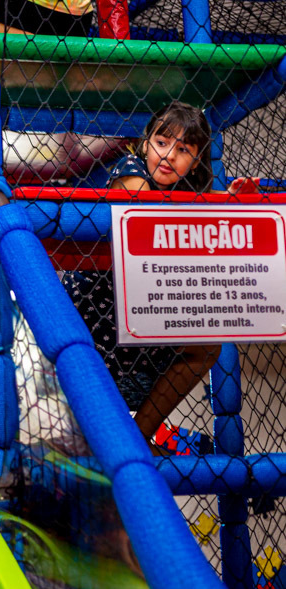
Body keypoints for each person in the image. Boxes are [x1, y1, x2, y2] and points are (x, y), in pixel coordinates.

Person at [62, 101, 261, 453]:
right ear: (145, 143)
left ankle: (137, 437)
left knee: (207, 347)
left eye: (183, 149)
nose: (168, 155)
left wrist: (228, 202)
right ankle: (100, 437)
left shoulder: (189, 193)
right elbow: (142, 202)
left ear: (196, 160)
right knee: (89, 417)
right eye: (161, 142)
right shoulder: (130, 166)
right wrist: (213, 203)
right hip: (94, 312)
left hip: (149, 314)